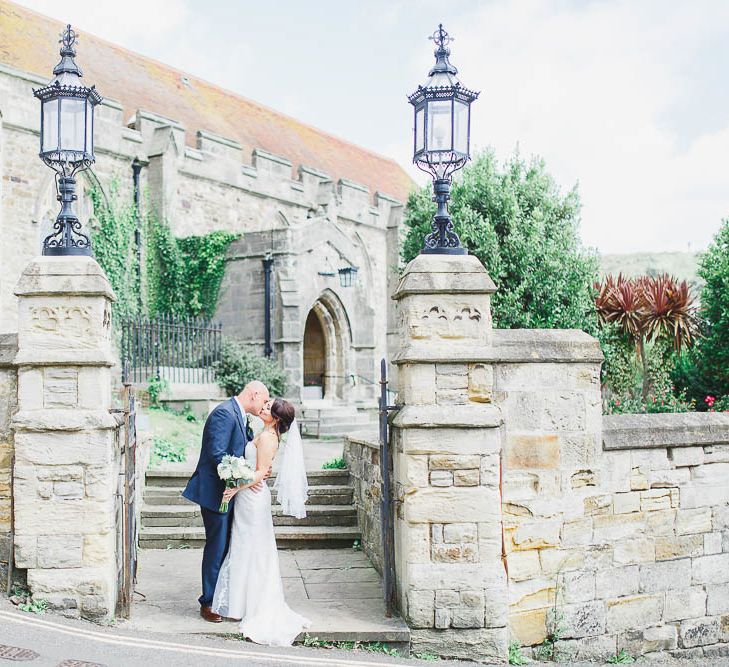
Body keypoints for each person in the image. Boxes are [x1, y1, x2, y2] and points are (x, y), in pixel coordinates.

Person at [212, 398, 310, 646]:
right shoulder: (263, 432)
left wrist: (234, 488)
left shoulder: (268, 438)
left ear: (276, 418)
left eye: (269, 407)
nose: (264, 407)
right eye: (266, 404)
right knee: (244, 547)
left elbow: (259, 473)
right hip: (248, 499)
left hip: (253, 500)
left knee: (253, 550)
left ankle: (253, 605)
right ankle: (241, 602)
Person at [182, 380, 270, 623]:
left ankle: (223, 595)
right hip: (216, 493)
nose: (264, 405)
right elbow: (218, 455)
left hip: (232, 492)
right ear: (254, 394)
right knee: (217, 546)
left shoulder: (239, 415)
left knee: (228, 545)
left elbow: (240, 452)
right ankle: (208, 602)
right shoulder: (224, 413)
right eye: (264, 400)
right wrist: (244, 478)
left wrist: (254, 474)